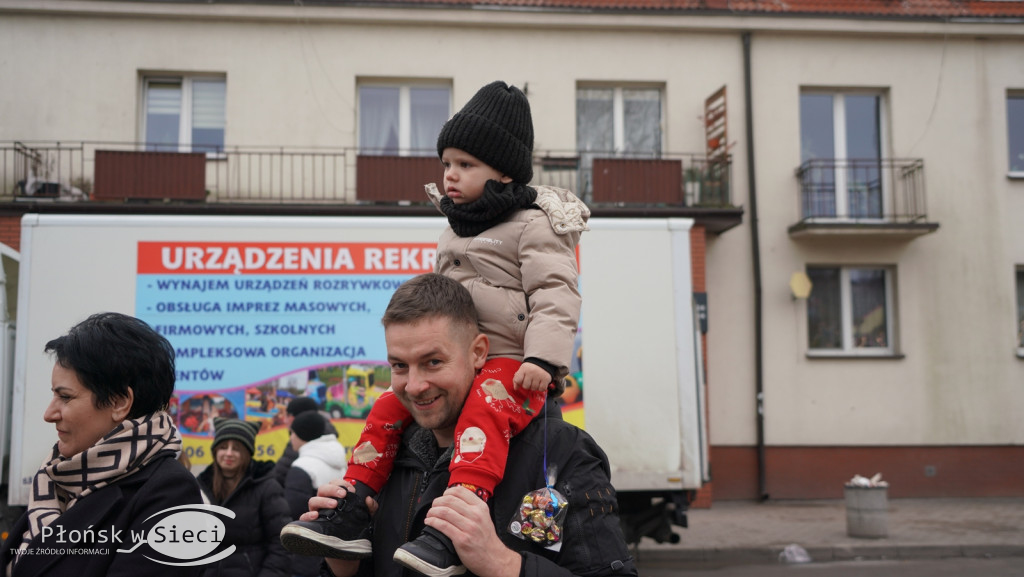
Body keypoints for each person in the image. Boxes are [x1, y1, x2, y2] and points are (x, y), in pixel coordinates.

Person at [281, 80, 589, 577]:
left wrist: (543, 360)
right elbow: (442, 300)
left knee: (484, 411)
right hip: (474, 357)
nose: (450, 175)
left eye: (466, 165)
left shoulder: (534, 225)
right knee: (385, 404)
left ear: (503, 172)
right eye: (447, 163)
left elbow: (556, 294)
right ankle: (354, 508)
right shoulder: (453, 228)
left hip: (509, 364)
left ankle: (453, 520)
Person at [283, 273, 635, 577]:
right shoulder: (388, 459)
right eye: (400, 366)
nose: (414, 385)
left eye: (433, 362)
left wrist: (501, 563)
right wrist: (343, 563)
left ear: (479, 352)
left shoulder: (561, 450)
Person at [0, 312, 204, 576]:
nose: (49, 414)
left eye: (65, 397)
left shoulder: (172, 495)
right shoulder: (56, 479)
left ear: (119, 402)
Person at [197, 417, 291, 577]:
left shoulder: (266, 487)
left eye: (236, 448)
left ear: (247, 453)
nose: (228, 453)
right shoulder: (200, 486)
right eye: (223, 447)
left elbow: (281, 544)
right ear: (215, 451)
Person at [284, 411, 348, 577]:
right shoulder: (338, 460)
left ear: (301, 435)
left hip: (307, 551)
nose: (290, 438)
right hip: (336, 548)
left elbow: (292, 512)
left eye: (292, 433)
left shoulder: (302, 466)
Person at [273, 395, 336, 487]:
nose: (285, 420)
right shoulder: (330, 442)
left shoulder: (302, 442)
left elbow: (278, 476)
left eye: (289, 415)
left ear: (302, 417)